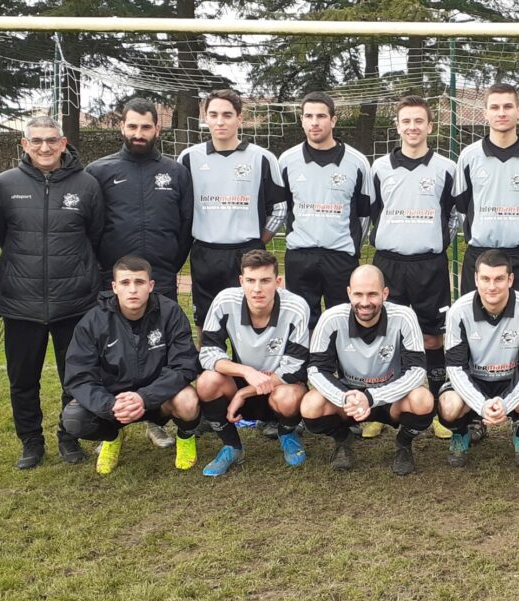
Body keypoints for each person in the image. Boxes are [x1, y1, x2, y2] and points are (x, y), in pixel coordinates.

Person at [0, 115, 104, 469]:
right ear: (24, 145)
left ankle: (68, 436)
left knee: (74, 376)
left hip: (74, 300)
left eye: (51, 140)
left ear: (63, 142)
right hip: (20, 300)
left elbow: (96, 236)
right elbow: (1, 234)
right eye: (36, 141)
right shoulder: (5, 185)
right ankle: (31, 441)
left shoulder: (86, 185)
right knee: (22, 379)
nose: (44, 147)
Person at [86, 98, 193, 449]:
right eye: (132, 126)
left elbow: (185, 225)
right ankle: (111, 423)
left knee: (158, 352)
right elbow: (93, 227)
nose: (138, 133)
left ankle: (156, 420)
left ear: (157, 129)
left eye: (146, 127)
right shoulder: (100, 171)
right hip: (115, 281)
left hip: (160, 278)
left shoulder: (176, 172)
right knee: (112, 352)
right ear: (121, 127)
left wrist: (166, 266)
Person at [368, 95, 458, 440]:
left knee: (433, 336)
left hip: (429, 265)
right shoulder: (379, 168)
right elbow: (372, 214)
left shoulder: (445, 169)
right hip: (388, 263)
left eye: (419, 121)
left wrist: (431, 243)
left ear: (429, 126)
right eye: (406, 121)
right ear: (398, 126)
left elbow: (453, 218)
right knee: (381, 335)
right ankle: (380, 408)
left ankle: (434, 406)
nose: (412, 127)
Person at [60, 256, 202, 475]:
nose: (133, 290)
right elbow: (78, 376)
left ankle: (185, 437)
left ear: (151, 286)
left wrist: (144, 397)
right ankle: (112, 437)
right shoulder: (94, 321)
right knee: (74, 419)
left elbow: (184, 365)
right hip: (116, 402)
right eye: (125, 283)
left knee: (188, 401)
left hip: (158, 399)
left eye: (140, 282)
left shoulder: (170, 312)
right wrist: (109, 405)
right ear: (114, 287)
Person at [301, 265, 436, 475]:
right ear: (348, 293)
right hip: (350, 399)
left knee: (423, 400)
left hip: (391, 398)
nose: (365, 302)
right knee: (310, 405)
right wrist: (345, 397)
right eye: (358, 294)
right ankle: (342, 438)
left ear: (385, 294)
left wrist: (372, 397)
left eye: (372, 294)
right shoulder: (331, 319)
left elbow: (417, 371)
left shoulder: (404, 317)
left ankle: (403, 443)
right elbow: (317, 370)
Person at [178, 88, 287, 329]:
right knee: (205, 324)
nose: (220, 121)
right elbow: (179, 209)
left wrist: (257, 243)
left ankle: (245, 366)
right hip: (205, 253)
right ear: (204, 117)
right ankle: (206, 366)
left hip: (246, 253)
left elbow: (279, 209)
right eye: (213, 114)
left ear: (239, 118)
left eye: (227, 115)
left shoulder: (262, 158)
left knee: (249, 322)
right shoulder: (188, 158)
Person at [194, 250, 311, 475]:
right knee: (207, 382)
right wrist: (246, 371)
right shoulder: (225, 301)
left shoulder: (296, 307)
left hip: (278, 386)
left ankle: (287, 433)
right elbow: (208, 353)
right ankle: (232, 446)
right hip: (241, 380)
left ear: (278, 282)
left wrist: (243, 393)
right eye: (250, 281)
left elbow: (296, 365)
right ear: (241, 281)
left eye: (265, 281)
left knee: (289, 397)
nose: (257, 289)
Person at [438, 250, 519, 469]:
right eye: (486, 279)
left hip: (511, 381)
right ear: (476, 279)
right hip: (474, 382)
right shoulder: (458, 311)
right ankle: (463, 433)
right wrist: (481, 405)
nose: (492, 286)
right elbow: (456, 368)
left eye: (499, 279)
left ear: (510, 280)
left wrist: (506, 403)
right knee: (448, 406)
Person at [275, 91, 373, 330]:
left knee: (343, 322)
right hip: (300, 256)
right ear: (301, 120)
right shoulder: (287, 161)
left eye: (321, 116)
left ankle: (341, 367)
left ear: (334, 120)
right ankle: (305, 367)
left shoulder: (357, 162)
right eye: (308, 116)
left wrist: (350, 246)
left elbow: (363, 215)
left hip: (340, 256)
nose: (314, 122)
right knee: (301, 323)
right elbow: (283, 207)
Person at [453, 83, 519, 301]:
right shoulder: (468, 156)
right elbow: (462, 205)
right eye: (495, 107)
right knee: (475, 328)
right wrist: (476, 231)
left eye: (508, 106)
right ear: (485, 113)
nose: (501, 113)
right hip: (479, 255)